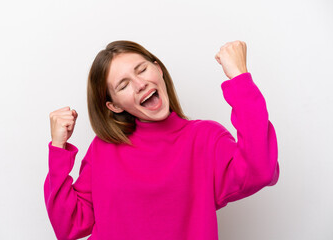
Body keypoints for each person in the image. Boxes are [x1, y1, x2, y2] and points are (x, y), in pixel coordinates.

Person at [44, 40, 280, 240]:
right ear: (114, 106)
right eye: (123, 85)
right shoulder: (103, 149)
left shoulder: (204, 139)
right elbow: (70, 225)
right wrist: (58, 148)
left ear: (158, 69)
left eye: (142, 70)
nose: (140, 84)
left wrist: (239, 79)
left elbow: (260, 170)